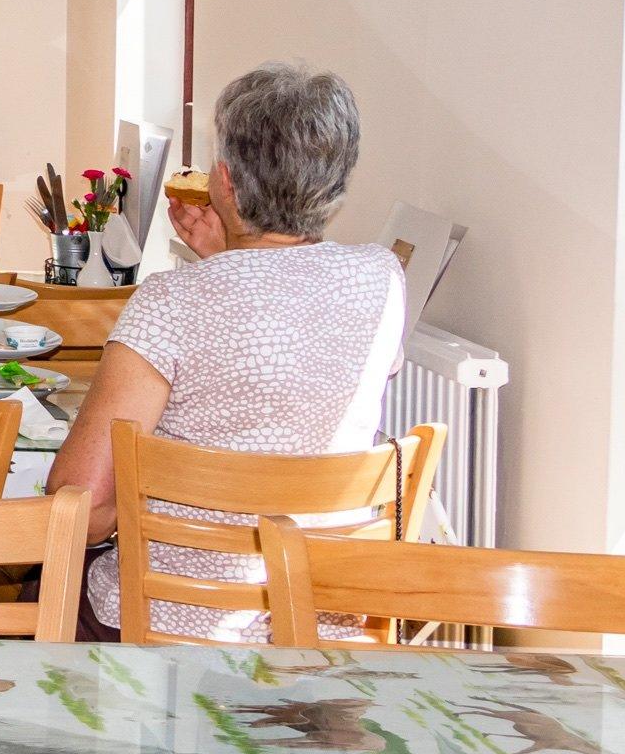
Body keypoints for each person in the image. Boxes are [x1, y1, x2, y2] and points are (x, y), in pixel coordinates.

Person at [48, 61, 409, 640]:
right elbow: (285, 354)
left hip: (168, 624)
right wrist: (231, 255)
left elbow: (81, 504)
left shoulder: (172, 301)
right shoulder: (382, 280)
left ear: (227, 182)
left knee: (39, 582)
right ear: (335, 185)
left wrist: (130, 514)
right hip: (318, 629)